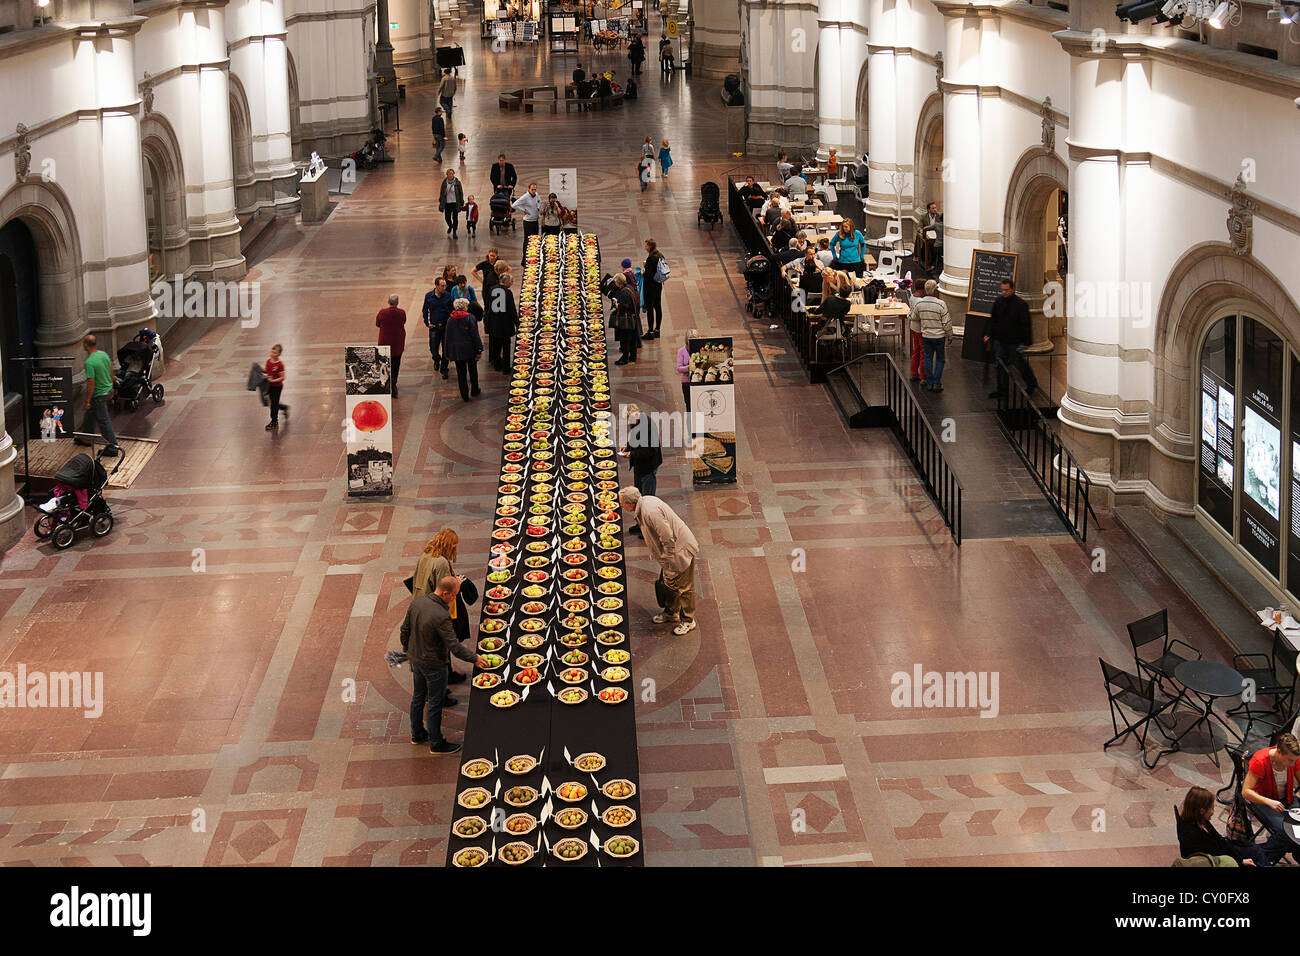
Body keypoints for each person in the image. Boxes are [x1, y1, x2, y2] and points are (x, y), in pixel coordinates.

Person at [399, 574, 488, 754]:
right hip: (434, 664)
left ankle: (417, 734)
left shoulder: (418, 602)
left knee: (418, 697)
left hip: (416, 659)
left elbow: (404, 630)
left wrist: (408, 649)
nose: (455, 598)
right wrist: (475, 659)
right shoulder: (441, 615)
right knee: (434, 702)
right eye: (455, 594)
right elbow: (454, 646)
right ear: (445, 593)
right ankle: (436, 743)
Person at [619, 487, 699, 635]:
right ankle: (671, 612)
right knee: (669, 583)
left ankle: (688, 621)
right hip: (670, 554)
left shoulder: (650, 511)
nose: (621, 506)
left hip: (678, 552)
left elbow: (667, 537)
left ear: (630, 503)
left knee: (684, 587)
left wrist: (669, 560)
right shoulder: (644, 504)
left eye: (622, 503)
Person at [411, 529, 472, 687]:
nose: (454, 550)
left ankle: (448, 675)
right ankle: (443, 685)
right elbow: (445, 592)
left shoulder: (426, 554)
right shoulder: (442, 563)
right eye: (453, 546)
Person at [1242, 734, 1300, 864]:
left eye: (1295, 761)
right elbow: (1246, 792)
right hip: (1263, 801)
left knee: (1295, 831)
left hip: (1286, 798)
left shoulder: (1293, 759)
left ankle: (1296, 852)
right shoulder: (1260, 760)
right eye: (1290, 760)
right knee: (1286, 832)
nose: (1293, 764)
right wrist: (1269, 802)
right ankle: (1259, 857)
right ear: (1279, 752)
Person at [1176, 786, 1266, 866]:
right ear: (1202, 811)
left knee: (1255, 850)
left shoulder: (1200, 819)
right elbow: (1209, 859)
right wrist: (1240, 861)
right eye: (1211, 808)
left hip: (1222, 853)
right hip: (1217, 861)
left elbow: (1220, 840)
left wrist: (1240, 859)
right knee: (1257, 854)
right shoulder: (1190, 836)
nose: (1213, 812)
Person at [984, 278, 1038, 397]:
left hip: (1014, 341)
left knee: (1020, 365)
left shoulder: (1020, 305)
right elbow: (993, 320)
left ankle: (1031, 384)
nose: (1004, 292)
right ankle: (1002, 389)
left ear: (1013, 289)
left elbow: (1026, 324)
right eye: (1002, 290)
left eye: (1007, 290)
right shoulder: (998, 302)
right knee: (1000, 365)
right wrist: (988, 334)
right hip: (1000, 340)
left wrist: (1027, 341)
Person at [620, 404, 662, 537]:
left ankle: (648, 530)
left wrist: (632, 455)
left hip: (648, 467)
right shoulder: (636, 421)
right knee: (638, 498)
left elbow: (650, 451)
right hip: (639, 466)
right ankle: (640, 525)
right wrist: (627, 448)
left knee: (647, 500)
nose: (627, 421)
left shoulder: (649, 427)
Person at [76, 334, 121, 454]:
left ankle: (113, 448)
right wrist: (111, 386)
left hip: (98, 395)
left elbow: (91, 383)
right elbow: (111, 369)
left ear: (86, 345)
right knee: (89, 416)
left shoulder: (89, 362)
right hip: (107, 390)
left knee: (104, 421)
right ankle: (86, 438)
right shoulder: (103, 354)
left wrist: (87, 401)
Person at [913, 279, 952, 391]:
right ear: (935, 290)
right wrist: (950, 335)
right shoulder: (941, 304)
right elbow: (947, 322)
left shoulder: (919, 303)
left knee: (927, 359)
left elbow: (914, 317)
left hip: (926, 336)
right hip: (939, 337)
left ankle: (929, 382)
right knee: (940, 359)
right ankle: (937, 383)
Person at [444, 297, 482, 402]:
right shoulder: (470, 318)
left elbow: (447, 337)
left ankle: (464, 394)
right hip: (469, 348)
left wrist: (447, 353)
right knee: (473, 370)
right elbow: (475, 335)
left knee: (461, 373)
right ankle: (475, 389)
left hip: (456, 351)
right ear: (465, 307)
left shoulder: (450, 319)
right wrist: (479, 349)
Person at [484, 272, 518, 372]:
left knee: (496, 346)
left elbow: (488, 304)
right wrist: (517, 323)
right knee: (506, 346)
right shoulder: (508, 292)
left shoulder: (492, 289)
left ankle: (497, 365)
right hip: (504, 324)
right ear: (506, 282)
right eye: (511, 281)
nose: (512, 283)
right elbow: (512, 310)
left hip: (494, 322)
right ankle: (506, 368)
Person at [375, 294, 407, 397]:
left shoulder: (382, 312)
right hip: (397, 343)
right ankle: (393, 383)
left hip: (385, 342)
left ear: (388, 302)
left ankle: (387, 383)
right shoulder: (402, 313)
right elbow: (404, 321)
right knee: (396, 364)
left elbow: (377, 323)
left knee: (385, 364)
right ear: (397, 302)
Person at [422, 276, 454, 379]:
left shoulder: (448, 296)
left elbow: (452, 310)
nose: (444, 288)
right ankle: (436, 359)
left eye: (445, 286)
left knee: (446, 349)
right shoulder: (429, 296)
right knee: (433, 349)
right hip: (434, 327)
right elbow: (425, 310)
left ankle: (444, 369)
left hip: (445, 326)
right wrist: (427, 323)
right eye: (442, 286)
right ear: (436, 286)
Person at [610, 273, 639, 365]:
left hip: (626, 319)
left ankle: (625, 358)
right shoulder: (629, 287)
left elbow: (625, 306)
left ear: (619, 283)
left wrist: (617, 304)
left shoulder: (623, 292)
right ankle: (633, 356)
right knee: (632, 339)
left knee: (625, 340)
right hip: (633, 317)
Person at [512, 182, 542, 263]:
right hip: (528, 222)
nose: (534, 191)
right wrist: (524, 210)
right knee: (527, 240)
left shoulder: (536, 194)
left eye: (535, 189)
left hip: (535, 220)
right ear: (528, 189)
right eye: (532, 189)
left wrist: (538, 208)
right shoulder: (525, 197)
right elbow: (514, 205)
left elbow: (539, 201)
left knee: (535, 239)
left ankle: (534, 257)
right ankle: (525, 259)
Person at [643, 238, 665, 340]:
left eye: (646, 245)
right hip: (658, 286)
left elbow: (648, 275)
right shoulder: (660, 255)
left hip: (650, 287)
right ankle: (657, 330)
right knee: (658, 306)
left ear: (650, 247)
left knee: (650, 308)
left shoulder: (651, 258)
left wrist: (644, 269)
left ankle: (650, 331)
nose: (645, 247)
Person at [263, 343, 287, 431]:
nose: (272, 354)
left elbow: (282, 377)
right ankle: (283, 407)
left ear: (279, 354)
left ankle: (274, 421)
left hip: (277, 387)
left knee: (273, 404)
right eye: (271, 352)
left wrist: (273, 381)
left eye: (274, 353)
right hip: (269, 386)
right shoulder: (268, 361)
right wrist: (259, 368)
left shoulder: (280, 365)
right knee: (272, 402)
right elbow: (266, 370)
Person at [438, 169, 464, 238]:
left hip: (455, 203)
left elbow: (461, 192)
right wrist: (441, 201)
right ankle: (450, 226)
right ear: (447, 175)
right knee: (447, 218)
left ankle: (454, 232)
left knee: (455, 218)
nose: (451, 175)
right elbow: (441, 192)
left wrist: (461, 202)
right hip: (447, 203)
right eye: (449, 174)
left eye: (452, 174)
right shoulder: (444, 182)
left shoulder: (457, 182)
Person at [919, 201, 942, 273]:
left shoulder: (939, 216)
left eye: (935, 208)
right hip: (928, 234)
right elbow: (919, 227)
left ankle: (934, 263)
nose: (935, 209)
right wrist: (922, 231)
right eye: (933, 208)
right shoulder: (923, 216)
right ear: (929, 210)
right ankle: (927, 261)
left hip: (936, 235)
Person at [677, 329, 694, 414]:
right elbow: (679, 368)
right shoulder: (681, 351)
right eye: (690, 340)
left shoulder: (700, 349)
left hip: (698, 382)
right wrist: (690, 367)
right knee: (689, 406)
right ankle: (690, 425)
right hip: (687, 382)